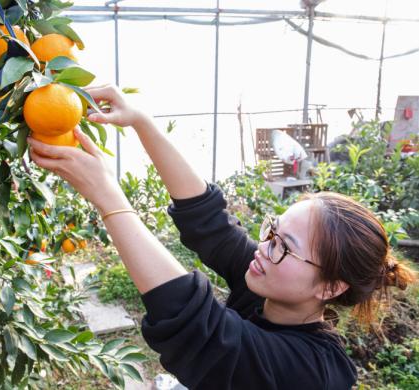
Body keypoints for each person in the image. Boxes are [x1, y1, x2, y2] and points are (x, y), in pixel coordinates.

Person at [27, 85, 416, 390]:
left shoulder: (311, 373)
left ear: (331, 287)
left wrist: (109, 197)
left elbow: (202, 329)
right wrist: (142, 122)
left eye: (283, 246)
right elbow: (210, 225)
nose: (264, 247)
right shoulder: (270, 294)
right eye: (272, 231)